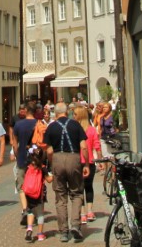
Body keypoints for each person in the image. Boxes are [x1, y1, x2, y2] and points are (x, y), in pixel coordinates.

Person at [43, 102, 89, 243]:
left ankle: (63, 231)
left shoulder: (51, 127)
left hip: (57, 158)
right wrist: (86, 164)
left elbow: (49, 150)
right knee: (76, 193)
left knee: (60, 196)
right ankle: (75, 224)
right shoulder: (76, 125)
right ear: (67, 111)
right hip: (74, 158)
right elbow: (84, 147)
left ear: (55, 113)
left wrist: (52, 163)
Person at [13, 104, 43, 225]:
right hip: (35, 160)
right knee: (35, 185)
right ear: (35, 113)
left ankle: (25, 209)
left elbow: (15, 144)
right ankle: (34, 212)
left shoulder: (18, 124)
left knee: (21, 186)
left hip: (21, 158)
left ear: (26, 112)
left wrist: (17, 155)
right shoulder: (39, 124)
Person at [74, 105, 100, 223]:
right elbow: (97, 146)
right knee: (89, 187)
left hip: (78, 162)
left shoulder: (75, 129)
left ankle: (83, 213)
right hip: (90, 162)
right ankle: (89, 211)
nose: (73, 116)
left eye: (75, 114)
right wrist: (100, 160)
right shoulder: (91, 130)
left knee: (79, 188)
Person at [21, 145, 53, 242]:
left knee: (30, 211)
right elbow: (49, 180)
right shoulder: (43, 168)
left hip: (28, 193)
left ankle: (29, 228)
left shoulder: (28, 167)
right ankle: (40, 234)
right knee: (40, 214)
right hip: (39, 194)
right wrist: (53, 174)